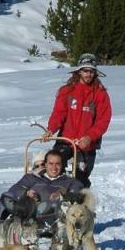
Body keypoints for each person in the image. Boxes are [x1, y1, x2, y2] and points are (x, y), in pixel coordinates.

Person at [41, 53, 112, 188]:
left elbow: (103, 120)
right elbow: (59, 113)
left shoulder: (100, 94)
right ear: (79, 71)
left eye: (91, 71)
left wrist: (90, 137)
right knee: (52, 169)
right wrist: (51, 129)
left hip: (86, 145)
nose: (88, 74)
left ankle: (80, 205)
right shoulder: (67, 91)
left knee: (80, 181)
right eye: (85, 70)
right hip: (65, 141)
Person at [0, 149, 84, 229]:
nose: (54, 168)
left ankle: (42, 223)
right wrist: (26, 192)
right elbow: (15, 189)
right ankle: (8, 223)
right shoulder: (31, 178)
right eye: (51, 163)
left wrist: (63, 193)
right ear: (46, 164)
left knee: (54, 205)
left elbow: (77, 192)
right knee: (6, 196)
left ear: (62, 165)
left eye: (58, 164)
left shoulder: (70, 181)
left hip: (53, 216)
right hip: (28, 210)